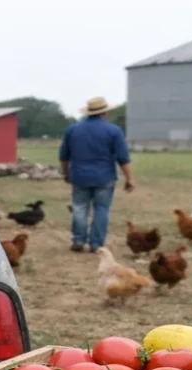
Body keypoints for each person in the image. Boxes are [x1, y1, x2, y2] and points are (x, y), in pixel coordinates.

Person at [59, 97, 135, 253]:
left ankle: (78, 239)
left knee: (79, 208)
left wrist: (66, 173)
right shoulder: (114, 131)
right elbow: (123, 158)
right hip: (104, 177)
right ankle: (97, 244)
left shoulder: (73, 129)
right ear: (104, 113)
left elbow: (64, 156)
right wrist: (130, 178)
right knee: (102, 209)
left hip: (79, 176)